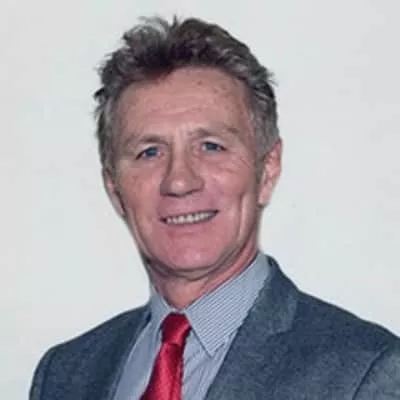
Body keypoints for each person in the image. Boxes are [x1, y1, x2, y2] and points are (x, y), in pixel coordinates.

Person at [30, 16, 400, 400]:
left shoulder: (365, 373)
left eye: (211, 147)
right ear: (114, 188)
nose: (179, 181)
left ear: (267, 169)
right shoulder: (64, 375)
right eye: (150, 152)